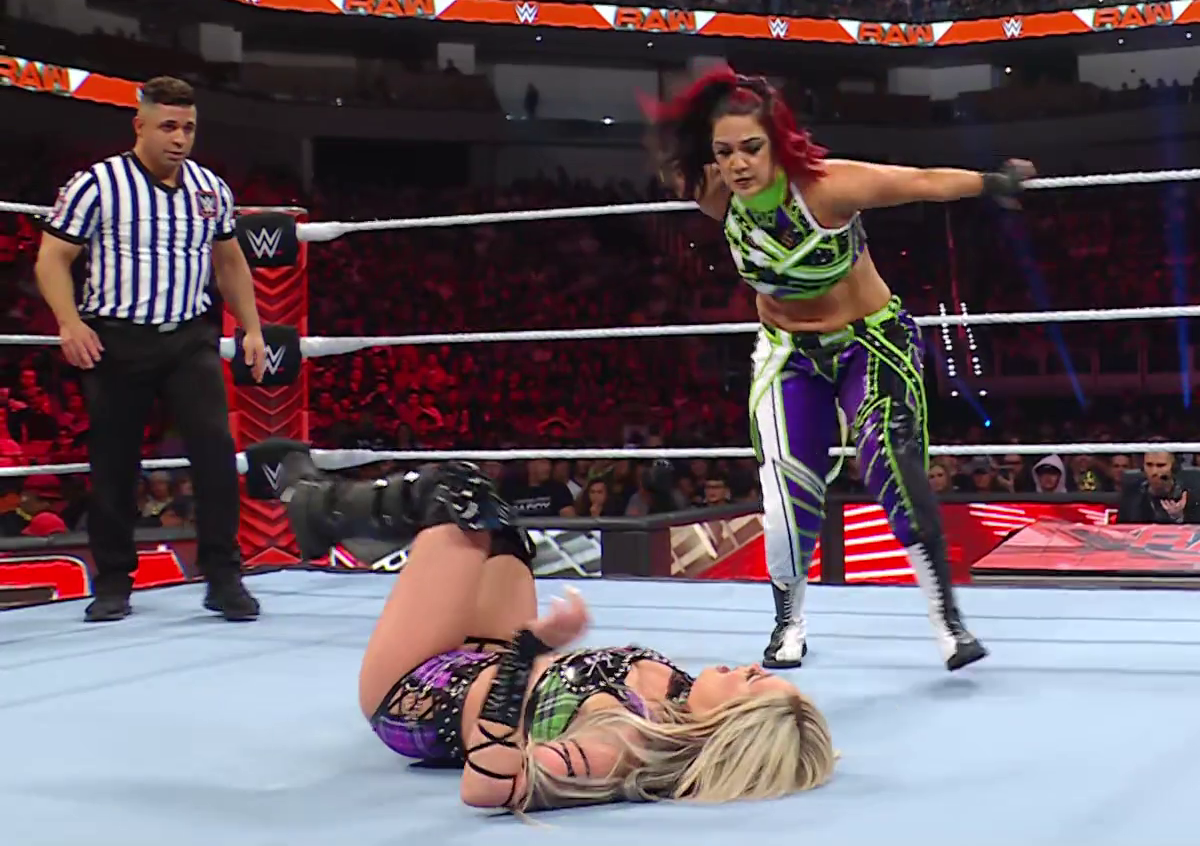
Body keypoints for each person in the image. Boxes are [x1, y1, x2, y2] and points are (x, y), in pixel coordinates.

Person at [656, 67, 1028, 671]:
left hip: (869, 341)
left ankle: (948, 620)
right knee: (784, 488)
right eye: (724, 152)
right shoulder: (712, 191)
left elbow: (918, 182)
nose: (738, 164)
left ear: (777, 141)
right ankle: (788, 621)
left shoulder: (827, 187)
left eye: (751, 147)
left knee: (891, 463)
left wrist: (991, 182)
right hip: (788, 352)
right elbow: (671, 153)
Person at [260, 443, 835, 810]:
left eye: (754, 683)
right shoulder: (679, 695)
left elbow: (490, 787)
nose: (752, 667)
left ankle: (313, 504)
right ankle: (323, 506)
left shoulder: (627, 744)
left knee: (458, 495)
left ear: (732, 725)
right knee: (500, 529)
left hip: (417, 691)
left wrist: (526, 652)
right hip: (484, 656)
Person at [33, 76, 268, 623]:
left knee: (215, 454)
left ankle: (224, 577)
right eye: (168, 126)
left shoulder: (210, 188)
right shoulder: (98, 183)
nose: (179, 138)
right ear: (140, 126)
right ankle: (114, 581)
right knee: (114, 463)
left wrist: (252, 328)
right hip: (117, 338)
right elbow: (52, 258)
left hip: (189, 337)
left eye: (188, 127)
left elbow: (229, 261)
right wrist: (69, 323)